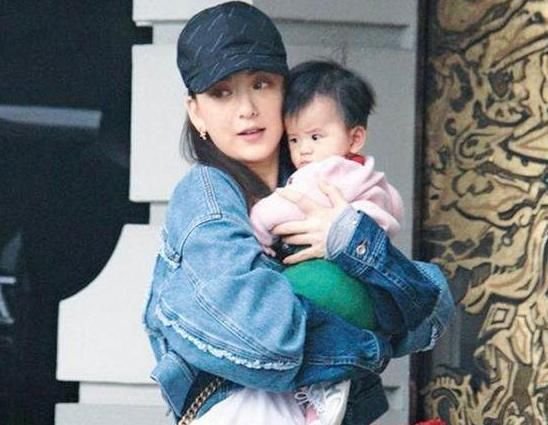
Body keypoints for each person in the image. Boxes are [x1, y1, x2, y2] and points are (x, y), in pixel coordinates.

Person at [142, 2, 455, 425]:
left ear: (286, 92)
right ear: (196, 111)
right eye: (221, 92)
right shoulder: (208, 193)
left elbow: (432, 306)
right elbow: (268, 337)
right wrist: (372, 346)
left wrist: (346, 239)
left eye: (261, 84)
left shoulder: (324, 182)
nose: (246, 109)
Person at [249, 60, 404, 424]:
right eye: (294, 139)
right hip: (363, 298)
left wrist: (255, 232)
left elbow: (279, 209)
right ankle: (326, 390)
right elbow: (393, 209)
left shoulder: (324, 173)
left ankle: (319, 392)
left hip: (332, 287)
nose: (303, 150)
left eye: (315, 137)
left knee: (279, 301)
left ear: (355, 137)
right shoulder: (369, 175)